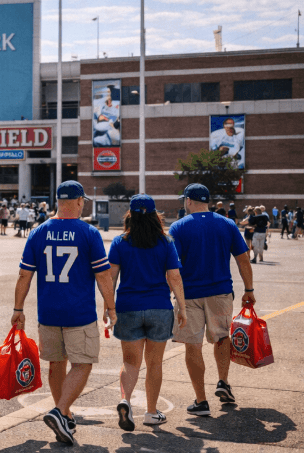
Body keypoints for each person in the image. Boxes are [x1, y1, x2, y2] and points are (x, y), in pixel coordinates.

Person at [12, 180, 116, 446]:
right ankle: (60, 411)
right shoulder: (88, 233)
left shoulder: (38, 232)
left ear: (58, 201)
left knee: (56, 363)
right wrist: (111, 305)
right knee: (82, 363)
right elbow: (103, 274)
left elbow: (25, 274)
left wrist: (18, 309)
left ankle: (65, 416)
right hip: (78, 312)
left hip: (48, 312)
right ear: (80, 201)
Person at [169, 183, 256, 417]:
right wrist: (249, 289)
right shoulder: (227, 224)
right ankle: (223, 382)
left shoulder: (178, 227)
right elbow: (243, 260)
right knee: (221, 337)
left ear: (188, 201)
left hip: (189, 295)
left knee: (193, 345)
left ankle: (201, 401)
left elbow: (172, 267)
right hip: (220, 292)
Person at [108, 195, 188, 429]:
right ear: (155, 215)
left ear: (130, 215)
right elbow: (174, 276)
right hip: (159, 308)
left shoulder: (120, 242)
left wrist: (108, 307)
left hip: (128, 307)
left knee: (130, 363)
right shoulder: (166, 242)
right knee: (154, 363)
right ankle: (151, 413)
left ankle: (126, 401)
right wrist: (182, 307)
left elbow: (110, 277)